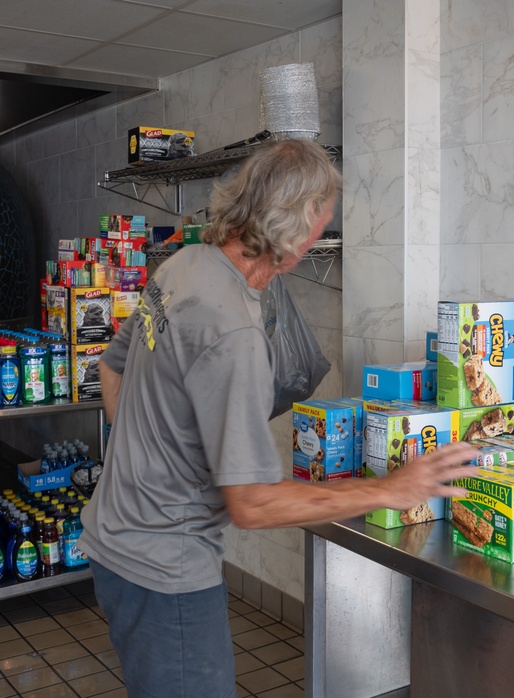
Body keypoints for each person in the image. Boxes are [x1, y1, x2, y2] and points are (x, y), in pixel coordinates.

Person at [79, 139, 478, 698]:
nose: (322, 236)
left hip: (113, 540)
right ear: (293, 235)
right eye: (322, 223)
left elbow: (111, 369)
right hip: (164, 570)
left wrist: (151, 459)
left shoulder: (185, 263)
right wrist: (390, 489)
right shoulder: (234, 333)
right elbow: (254, 503)